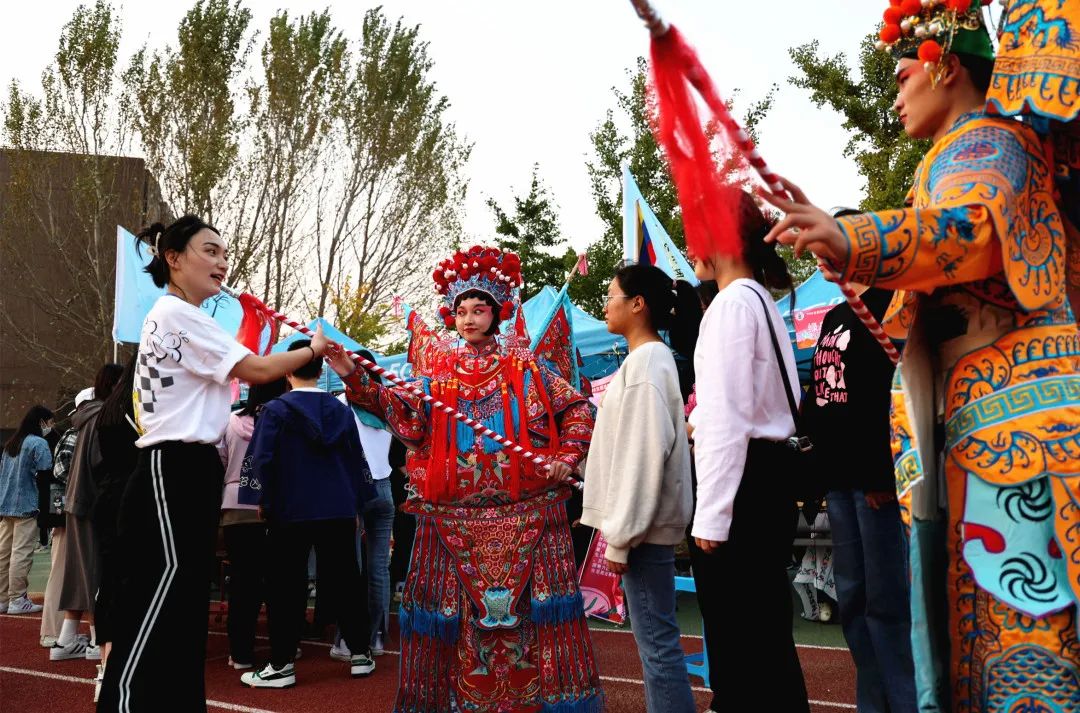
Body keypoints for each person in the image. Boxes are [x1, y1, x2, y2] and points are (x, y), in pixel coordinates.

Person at [765, 4, 1080, 710]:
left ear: (946, 63)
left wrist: (855, 239)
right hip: (989, 427)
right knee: (989, 645)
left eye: (904, 74)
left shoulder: (991, 143)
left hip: (1019, 436)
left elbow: (965, 232)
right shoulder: (953, 157)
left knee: (1024, 644)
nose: (898, 92)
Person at [326, 245, 604, 712]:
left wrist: (567, 455)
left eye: (479, 310)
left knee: (533, 622)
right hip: (451, 518)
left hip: (529, 515)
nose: (469, 318)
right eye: (461, 310)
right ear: (450, 316)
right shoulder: (435, 375)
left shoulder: (526, 366)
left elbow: (578, 409)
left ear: (497, 314)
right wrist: (356, 377)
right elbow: (407, 419)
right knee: (456, 623)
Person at [97, 215, 334, 713]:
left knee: (184, 601)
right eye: (210, 251)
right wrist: (312, 349)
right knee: (159, 594)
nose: (222, 263)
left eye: (225, 253)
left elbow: (248, 363)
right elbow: (259, 369)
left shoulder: (190, 318)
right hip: (170, 466)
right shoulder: (174, 314)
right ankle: (122, 704)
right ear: (174, 259)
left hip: (194, 467)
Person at [688, 192, 810, 712]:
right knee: (765, 639)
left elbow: (726, 416)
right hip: (766, 476)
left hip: (744, 484)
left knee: (742, 647)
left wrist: (712, 515)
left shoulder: (732, 303)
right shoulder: (756, 299)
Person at [581, 263, 701, 713]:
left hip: (643, 531)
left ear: (638, 304)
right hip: (643, 528)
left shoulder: (648, 362)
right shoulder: (647, 360)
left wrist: (622, 535)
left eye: (612, 295)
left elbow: (643, 454)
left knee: (657, 645)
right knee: (656, 642)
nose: (606, 305)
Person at [798, 275, 916, 713]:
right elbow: (821, 395)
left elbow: (891, 394)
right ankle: (874, 702)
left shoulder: (893, 307)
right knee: (853, 599)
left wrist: (882, 476)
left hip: (875, 484)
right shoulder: (834, 314)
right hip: (838, 479)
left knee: (887, 603)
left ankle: (906, 701)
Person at [238, 340, 373, 688]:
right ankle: (360, 652)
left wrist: (256, 497)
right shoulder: (341, 411)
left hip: (291, 508)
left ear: (287, 369)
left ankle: (282, 662)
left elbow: (260, 458)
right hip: (338, 507)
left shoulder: (275, 410)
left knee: (286, 584)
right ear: (321, 370)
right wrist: (359, 501)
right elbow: (355, 458)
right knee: (347, 579)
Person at [46, 363, 123, 664]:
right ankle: (95, 639)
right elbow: (103, 466)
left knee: (78, 572)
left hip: (75, 501)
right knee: (95, 572)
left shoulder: (84, 417)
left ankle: (66, 639)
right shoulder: (105, 417)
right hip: (92, 504)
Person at [217, 377, 286, 670]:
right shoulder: (282, 422)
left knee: (242, 583)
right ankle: (283, 650)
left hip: (234, 508)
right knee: (277, 582)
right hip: (273, 507)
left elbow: (220, 461)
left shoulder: (230, 422)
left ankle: (241, 653)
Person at [333, 347, 394, 659]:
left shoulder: (340, 405)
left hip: (353, 487)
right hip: (383, 486)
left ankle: (348, 639)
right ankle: (377, 637)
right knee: (379, 568)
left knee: (352, 567)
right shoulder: (387, 405)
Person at [0, 405, 53, 616]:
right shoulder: (38, 443)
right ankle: (18, 598)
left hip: (6, 504)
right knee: (21, 554)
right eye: (49, 421)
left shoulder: (11, 443)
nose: (50, 425)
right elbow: (45, 474)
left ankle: (3, 598)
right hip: (27, 504)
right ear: (41, 422)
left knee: (3, 553)